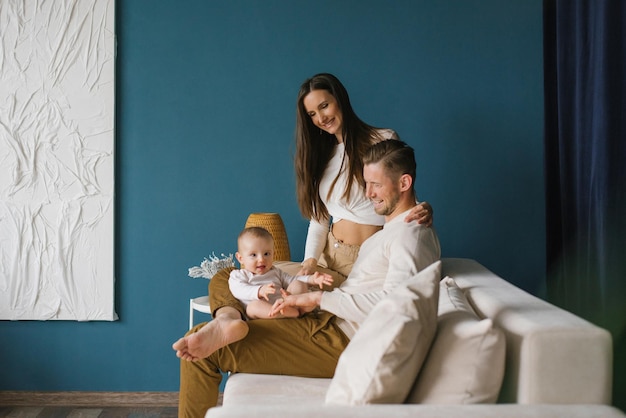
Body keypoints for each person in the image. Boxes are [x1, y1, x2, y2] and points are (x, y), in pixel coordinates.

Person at [174, 139, 441, 417]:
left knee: (200, 348)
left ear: (404, 183)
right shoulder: (397, 228)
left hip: (343, 341)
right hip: (327, 322)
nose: (368, 193)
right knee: (228, 273)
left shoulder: (412, 235)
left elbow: (398, 306)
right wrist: (308, 299)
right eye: (366, 183)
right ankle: (228, 318)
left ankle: (228, 323)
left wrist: (317, 297)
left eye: (376, 184)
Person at [229, 226, 333, 319]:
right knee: (252, 307)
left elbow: (293, 279)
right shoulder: (239, 275)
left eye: (266, 254)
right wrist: (260, 291)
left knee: (298, 284)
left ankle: (296, 308)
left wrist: (312, 279)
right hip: (263, 311)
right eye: (253, 255)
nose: (261, 259)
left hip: (284, 304)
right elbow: (238, 290)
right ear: (240, 258)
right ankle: (295, 313)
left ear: (273, 254)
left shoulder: (275, 272)